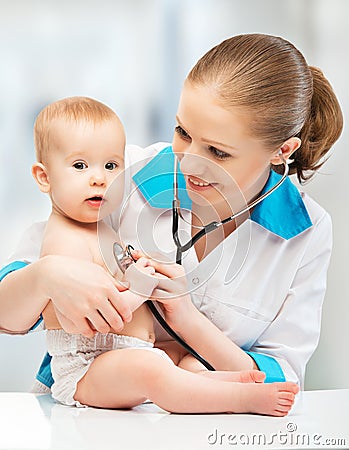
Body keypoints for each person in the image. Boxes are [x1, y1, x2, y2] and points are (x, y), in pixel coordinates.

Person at [0, 34, 343, 400]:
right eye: (183, 132)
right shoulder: (117, 175)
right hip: (86, 415)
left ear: (282, 150)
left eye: (218, 151)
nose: (188, 159)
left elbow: (282, 386)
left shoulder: (307, 231)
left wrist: (187, 320)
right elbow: (8, 316)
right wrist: (45, 276)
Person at [5, 95, 298, 415]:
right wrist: (141, 288)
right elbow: (87, 320)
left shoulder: (103, 227)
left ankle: (227, 382)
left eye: (111, 165)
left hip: (135, 353)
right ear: (44, 177)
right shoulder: (64, 240)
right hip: (88, 369)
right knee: (151, 372)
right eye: (79, 166)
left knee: (188, 362)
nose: (99, 178)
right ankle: (240, 399)